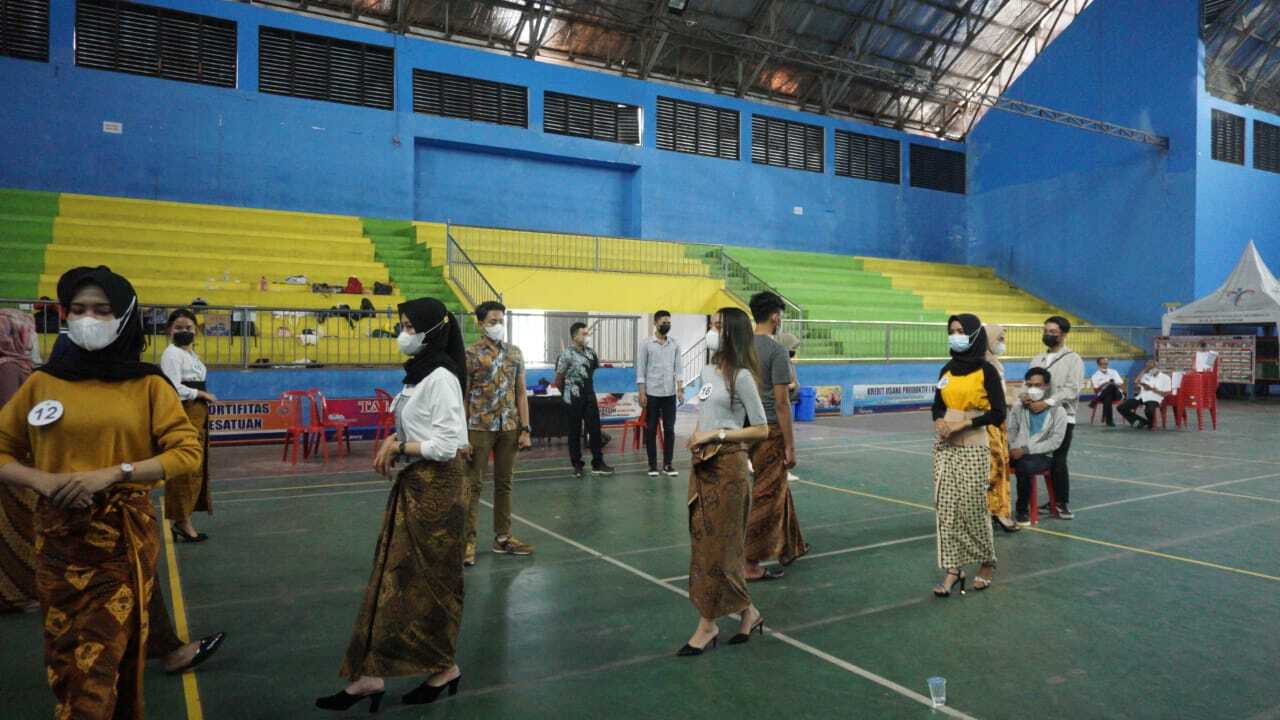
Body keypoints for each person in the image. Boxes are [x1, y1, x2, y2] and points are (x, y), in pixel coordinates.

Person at [0, 266, 202, 719]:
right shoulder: (42, 383)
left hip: (119, 545)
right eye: (78, 309)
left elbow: (186, 452)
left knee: (100, 665)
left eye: (102, 310)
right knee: (66, 658)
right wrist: (41, 480)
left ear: (124, 316)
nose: (88, 318)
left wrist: (116, 473)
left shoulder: (148, 384)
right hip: (58, 543)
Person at [317, 297, 470, 712]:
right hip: (415, 484)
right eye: (402, 325)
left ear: (432, 331)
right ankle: (371, 674)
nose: (403, 334)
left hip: (438, 493)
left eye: (409, 327)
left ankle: (444, 667)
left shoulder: (442, 377)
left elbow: (446, 445)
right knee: (392, 578)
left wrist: (399, 446)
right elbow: (420, 430)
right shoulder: (418, 375)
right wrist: (396, 442)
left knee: (427, 583)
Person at [680, 307, 769, 656]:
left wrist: (716, 434)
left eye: (717, 325)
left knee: (722, 547)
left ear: (732, 332)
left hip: (729, 468)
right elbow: (706, 411)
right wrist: (697, 434)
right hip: (703, 466)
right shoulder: (707, 371)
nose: (712, 331)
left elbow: (760, 428)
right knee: (705, 544)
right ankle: (748, 612)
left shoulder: (742, 378)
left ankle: (707, 625)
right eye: (711, 325)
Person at [930, 314, 1005, 595]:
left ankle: (987, 561)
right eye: (952, 331)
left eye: (961, 331)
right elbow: (937, 405)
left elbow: (998, 413)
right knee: (946, 508)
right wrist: (939, 420)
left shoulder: (986, 371)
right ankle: (954, 569)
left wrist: (965, 423)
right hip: (945, 445)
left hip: (973, 445)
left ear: (974, 335)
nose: (955, 336)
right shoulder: (946, 370)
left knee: (973, 507)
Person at [463, 301, 534, 566]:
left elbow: (521, 392)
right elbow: (464, 396)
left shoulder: (515, 352)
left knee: (505, 483)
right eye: (493, 321)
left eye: (501, 321)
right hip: (479, 427)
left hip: (509, 428)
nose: (498, 325)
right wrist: (461, 435)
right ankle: (467, 542)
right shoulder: (470, 354)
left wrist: (525, 429)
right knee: (473, 485)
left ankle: (503, 538)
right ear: (480, 324)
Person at [744, 292, 807, 580]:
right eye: (780, 315)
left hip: (745, 428)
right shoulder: (777, 352)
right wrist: (790, 446)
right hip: (770, 428)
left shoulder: (741, 348)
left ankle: (790, 545)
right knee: (766, 495)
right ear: (774, 316)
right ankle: (749, 562)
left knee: (777, 486)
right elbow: (782, 403)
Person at [159, 309, 218, 543]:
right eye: (179, 328)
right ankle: (181, 520)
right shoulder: (171, 354)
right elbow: (172, 388)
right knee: (184, 465)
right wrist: (200, 393)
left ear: (196, 331)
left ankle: (185, 518)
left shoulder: (191, 354)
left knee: (195, 466)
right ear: (169, 330)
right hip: (185, 412)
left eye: (189, 328)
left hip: (198, 412)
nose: (184, 331)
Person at [1026, 316, 1083, 520]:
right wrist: (1026, 397)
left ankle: (1061, 502)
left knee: (1058, 459)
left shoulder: (1073, 359)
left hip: (1063, 417)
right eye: (1046, 331)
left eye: (1052, 332)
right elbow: (1028, 383)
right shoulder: (1037, 359)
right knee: (1032, 458)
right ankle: (1030, 503)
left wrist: (1048, 402)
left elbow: (1072, 389)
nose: (1048, 335)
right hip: (1037, 416)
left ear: (1064, 334)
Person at [0, 308, 38, 613]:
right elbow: (11, 418)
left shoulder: (18, 365)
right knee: (16, 528)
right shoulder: (10, 369)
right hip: (16, 461)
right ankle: (15, 594)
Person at [1008, 368, 1068, 526]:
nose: (1033, 389)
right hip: (1017, 451)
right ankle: (995, 510)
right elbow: (1011, 431)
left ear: (1046, 386)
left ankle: (1022, 510)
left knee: (1025, 465)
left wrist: (1026, 450)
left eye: (1038, 385)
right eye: (1030, 385)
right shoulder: (1019, 407)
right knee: (992, 461)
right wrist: (1013, 448)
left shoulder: (1058, 412)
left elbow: (1055, 442)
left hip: (1042, 456)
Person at [555, 322, 614, 477]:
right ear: (575, 336)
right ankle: (577, 466)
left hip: (589, 396)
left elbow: (591, 372)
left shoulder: (591, 353)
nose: (587, 336)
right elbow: (558, 380)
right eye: (584, 333)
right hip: (572, 398)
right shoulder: (566, 355)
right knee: (574, 432)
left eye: (587, 333)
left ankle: (598, 464)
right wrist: (567, 394)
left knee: (595, 431)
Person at [636, 310, 682, 477]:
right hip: (652, 394)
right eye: (663, 322)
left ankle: (668, 464)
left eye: (668, 322)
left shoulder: (674, 344)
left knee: (669, 429)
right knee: (650, 430)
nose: (666, 325)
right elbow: (641, 369)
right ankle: (653, 465)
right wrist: (642, 393)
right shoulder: (646, 344)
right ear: (655, 323)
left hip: (669, 394)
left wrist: (680, 389)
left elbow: (679, 369)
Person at [983, 323, 1018, 534]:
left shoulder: (995, 363)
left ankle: (998, 510)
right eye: (1000, 339)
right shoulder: (985, 365)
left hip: (998, 422)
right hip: (988, 424)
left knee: (999, 467)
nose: (1003, 343)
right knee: (993, 469)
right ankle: (994, 512)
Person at [1118, 359, 1172, 428]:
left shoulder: (1165, 378)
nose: (1150, 369)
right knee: (1121, 407)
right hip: (1141, 397)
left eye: (1151, 367)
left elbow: (1166, 393)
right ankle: (1144, 422)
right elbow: (1136, 382)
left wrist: (1153, 389)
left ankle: (1150, 423)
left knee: (1149, 411)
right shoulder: (1146, 375)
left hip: (1155, 398)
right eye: (1148, 367)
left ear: (1157, 366)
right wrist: (1145, 370)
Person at [777, 332, 802, 482]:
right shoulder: (781, 364)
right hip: (781, 407)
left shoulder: (789, 363)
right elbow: (782, 385)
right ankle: (783, 470)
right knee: (782, 439)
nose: (794, 351)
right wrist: (792, 386)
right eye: (792, 348)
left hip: (788, 403)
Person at [1089, 357, 1124, 427]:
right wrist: (1104, 384)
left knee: (1111, 386)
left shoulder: (1114, 372)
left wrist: (1112, 384)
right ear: (1098, 365)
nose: (1105, 365)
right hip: (1104, 396)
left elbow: (1121, 385)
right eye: (1102, 364)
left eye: (1106, 364)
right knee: (1108, 397)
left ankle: (1096, 400)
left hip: (1117, 394)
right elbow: (1096, 390)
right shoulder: (1095, 375)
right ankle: (1109, 421)